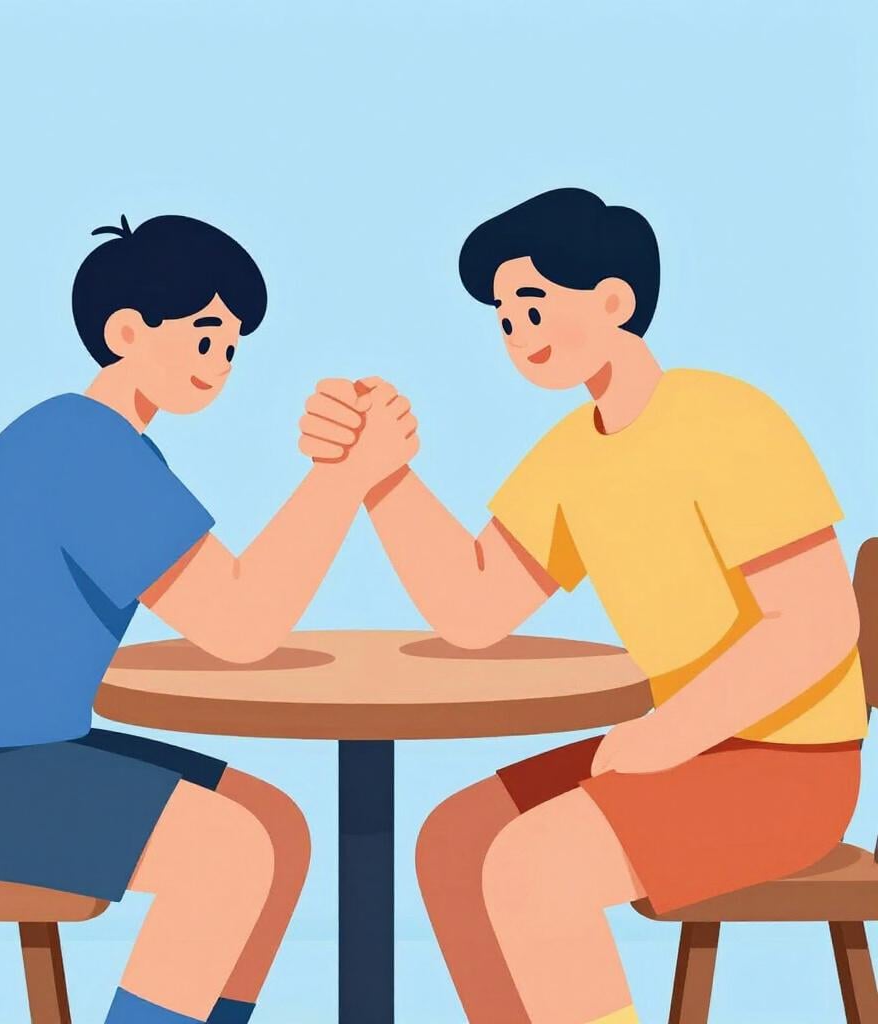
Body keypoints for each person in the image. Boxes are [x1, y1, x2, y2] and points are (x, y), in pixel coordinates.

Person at [301, 188, 865, 1024]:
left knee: (535, 866)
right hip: (680, 749)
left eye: (532, 305)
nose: (516, 331)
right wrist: (382, 476)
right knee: (456, 842)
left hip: (791, 765)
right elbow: (475, 607)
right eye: (503, 317)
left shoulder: (728, 418)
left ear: (614, 301)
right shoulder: (570, 454)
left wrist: (661, 737)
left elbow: (817, 624)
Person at [0, 213, 418, 1024]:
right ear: (127, 332)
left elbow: (219, 604)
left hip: (22, 754)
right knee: (229, 850)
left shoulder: (109, 444)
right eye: (205, 337)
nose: (220, 364)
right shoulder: (82, 447)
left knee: (275, 827)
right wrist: (341, 480)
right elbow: (240, 623)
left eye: (231, 348)